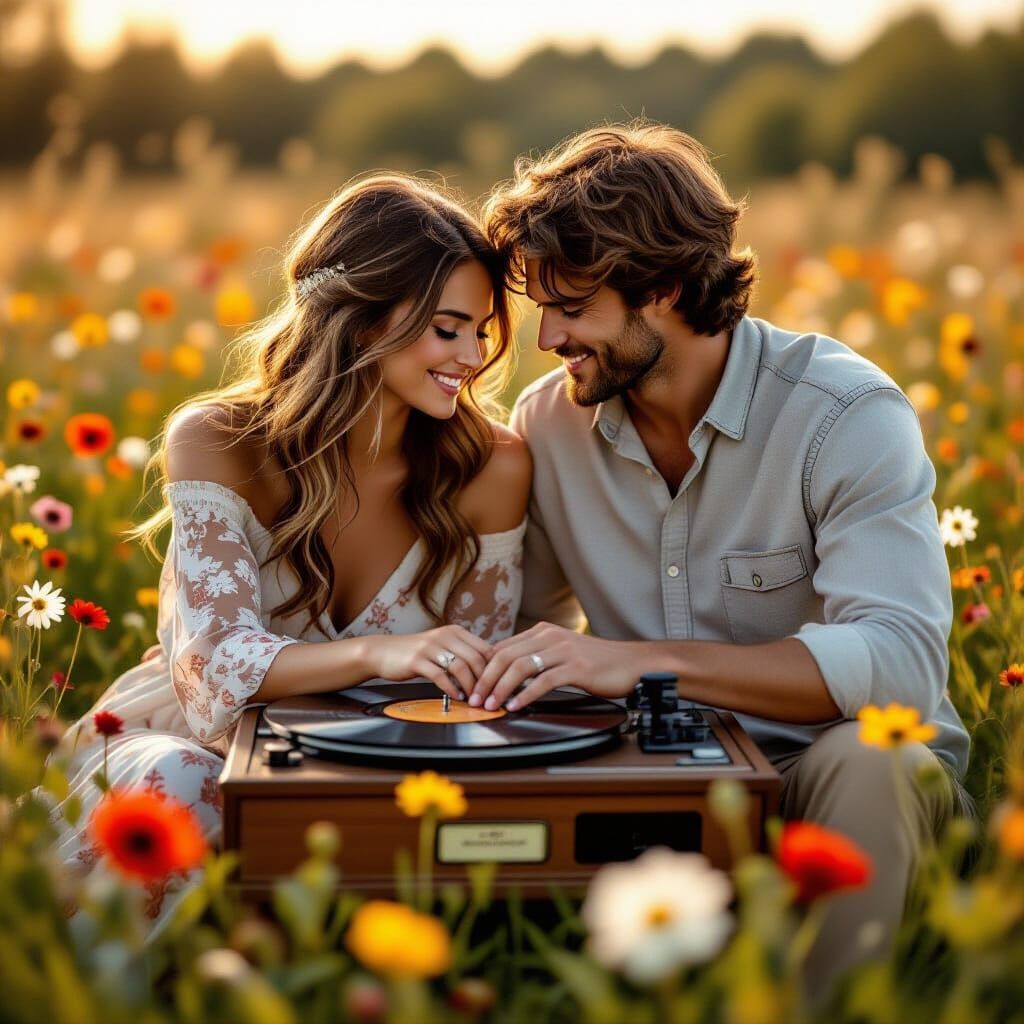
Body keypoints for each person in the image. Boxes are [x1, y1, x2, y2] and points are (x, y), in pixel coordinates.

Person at [471, 122, 973, 1004]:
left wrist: (637, 663)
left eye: (573, 307)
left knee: (874, 756)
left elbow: (901, 666)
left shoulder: (842, 414)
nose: (545, 337)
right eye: (541, 307)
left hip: (827, 781)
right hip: (649, 781)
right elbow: (521, 627)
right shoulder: (548, 426)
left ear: (663, 286)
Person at [48, 174, 531, 932]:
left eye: (481, 330)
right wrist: (379, 656)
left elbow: (471, 699)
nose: (473, 355)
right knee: (192, 780)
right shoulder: (218, 441)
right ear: (364, 321)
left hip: (375, 776)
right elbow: (213, 685)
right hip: (173, 749)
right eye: (448, 328)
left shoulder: (492, 467)